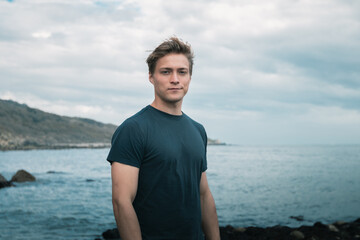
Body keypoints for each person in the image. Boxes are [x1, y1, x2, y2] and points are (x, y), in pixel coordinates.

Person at [107, 37, 220, 240]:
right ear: (151, 76)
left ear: (190, 78)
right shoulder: (133, 129)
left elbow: (203, 195)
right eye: (166, 71)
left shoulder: (198, 130)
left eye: (182, 72)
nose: (175, 79)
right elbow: (121, 201)